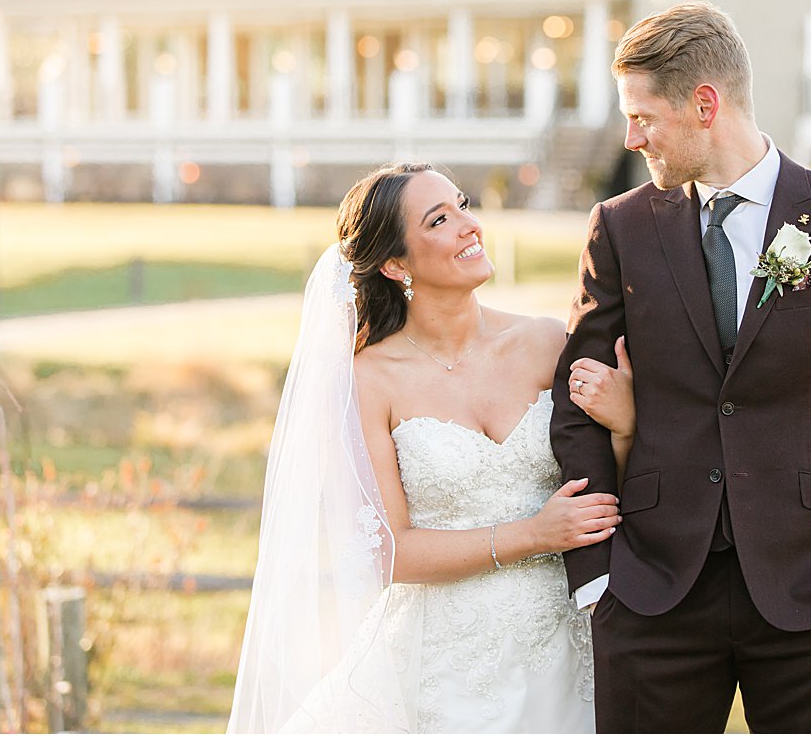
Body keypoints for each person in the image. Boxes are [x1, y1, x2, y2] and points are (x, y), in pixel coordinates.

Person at [551, 1, 811, 733]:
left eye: (644, 117)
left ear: (705, 104)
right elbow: (573, 398)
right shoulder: (622, 227)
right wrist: (599, 573)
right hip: (652, 590)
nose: (631, 137)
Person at [228, 162, 628, 733]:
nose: (471, 226)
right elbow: (388, 553)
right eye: (441, 219)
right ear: (395, 264)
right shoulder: (370, 380)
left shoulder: (545, 343)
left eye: (464, 205)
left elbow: (613, 480)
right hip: (441, 663)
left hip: (566, 643)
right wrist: (535, 535)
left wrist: (627, 425)